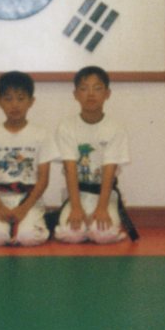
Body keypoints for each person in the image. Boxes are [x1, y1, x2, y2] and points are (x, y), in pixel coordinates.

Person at [0, 71, 58, 247]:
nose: (15, 105)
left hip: (29, 199)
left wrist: (24, 209)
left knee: (28, 238)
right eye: (8, 99)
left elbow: (43, 180)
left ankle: (35, 222)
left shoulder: (41, 135)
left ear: (31, 101)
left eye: (20, 99)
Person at [55, 66, 136, 244]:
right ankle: (83, 226)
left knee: (103, 234)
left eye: (97, 88)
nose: (91, 94)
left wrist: (102, 208)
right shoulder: (66, 126)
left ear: (107, 94)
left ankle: (99, 227)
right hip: (77, 194)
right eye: (84, 88)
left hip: (105, 195)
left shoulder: (115, 128)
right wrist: (76, 207)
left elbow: (109, 170)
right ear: (75, 94)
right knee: (71, 234)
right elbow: (69, 169)